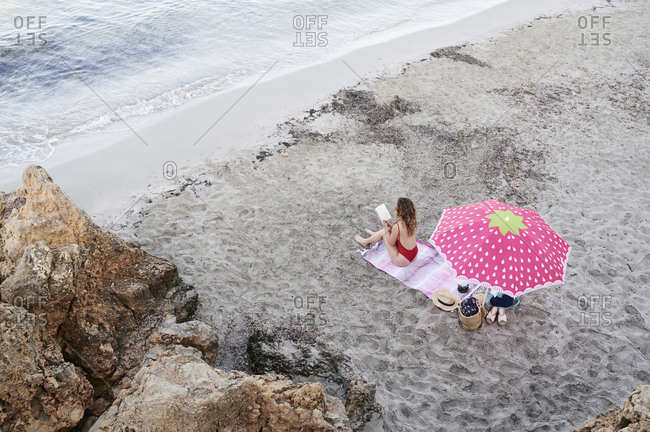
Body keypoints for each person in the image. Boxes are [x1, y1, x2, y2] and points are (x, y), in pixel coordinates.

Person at [354, 197, 418, 267]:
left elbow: (391, 242)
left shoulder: (397, 226)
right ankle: (375, 235)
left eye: (395, 208)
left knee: (384, 232)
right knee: (386, 231)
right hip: (414, 254)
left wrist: (386, 228)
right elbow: (401, 233)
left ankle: (365, 241)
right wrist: (390, 227)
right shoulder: (412, 222)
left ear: (399, 212)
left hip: (402, 260)